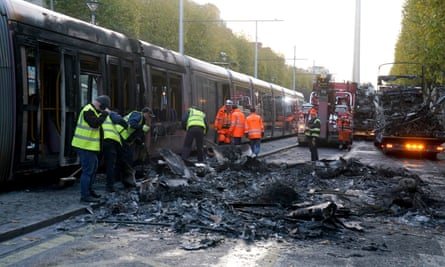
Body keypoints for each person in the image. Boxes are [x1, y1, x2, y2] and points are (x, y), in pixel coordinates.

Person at [71, 95, 110, 203]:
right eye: (103, 107)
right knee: (88, 171)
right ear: (100, 105)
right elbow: (95, 124)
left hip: (89, 146)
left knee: (93, 169)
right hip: (84, 145)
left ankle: (89, 191)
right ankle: (85, 196)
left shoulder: (93, 110)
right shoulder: (88, 110)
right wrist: (105, 114)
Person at [116, 107, 155, 188]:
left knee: (122, 157)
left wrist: (141, 143)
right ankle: (127, 178)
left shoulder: (140, 119)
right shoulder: (138, 115)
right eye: (149, 116)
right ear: (146, 113)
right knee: (128, 156)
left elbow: (134, 134)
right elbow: (132, 123)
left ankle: (120, 177)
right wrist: (142, 127)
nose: (149, 118)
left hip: (122, 137)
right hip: (120, 135)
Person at [102, 110, 128, 192]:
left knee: (95, 164)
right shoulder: (110, 113)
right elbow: (122, 122)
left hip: (98, 141)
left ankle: (89, 188)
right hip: (110, 141)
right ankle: (110, 186)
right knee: (111, 164)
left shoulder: (96, 113)